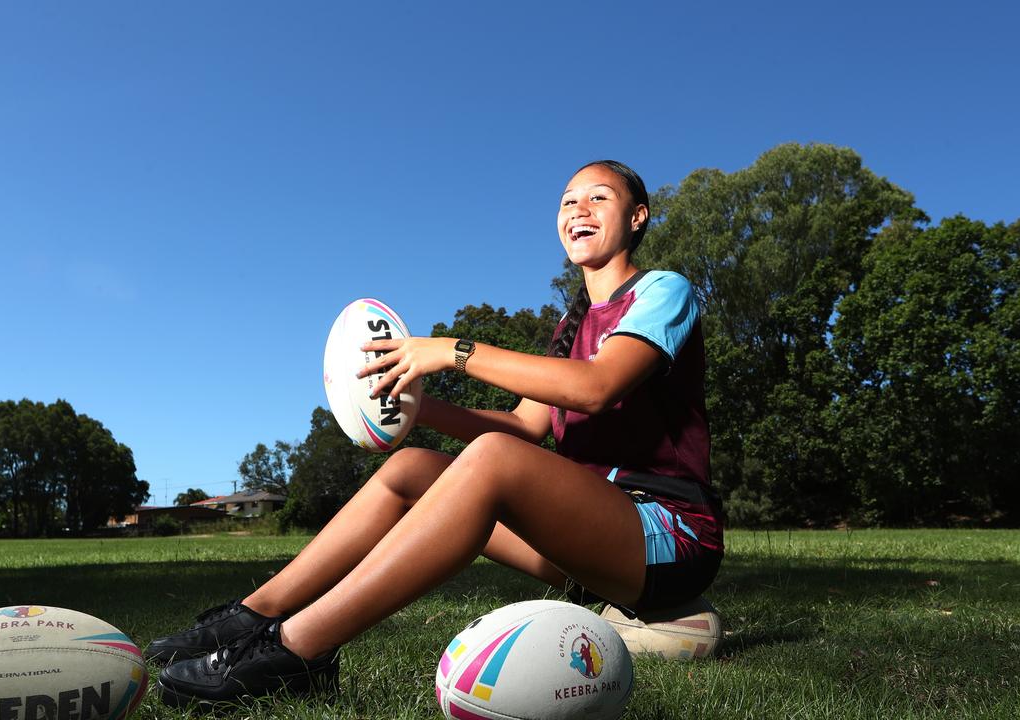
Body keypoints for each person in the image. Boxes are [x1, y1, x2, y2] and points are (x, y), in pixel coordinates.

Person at [148, 160, 725, 708]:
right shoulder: (568, 329)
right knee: (411, 469)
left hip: (668, 533)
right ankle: (250, 617)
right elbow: (526, 426)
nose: (580, 208)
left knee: (491, 459)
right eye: (568, 200)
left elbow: (597, 387)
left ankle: (297, 653)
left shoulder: (662, 292)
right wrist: (413, 407)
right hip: (587, 543)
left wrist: (453, 351)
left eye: (599, 197)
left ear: (637, 216)